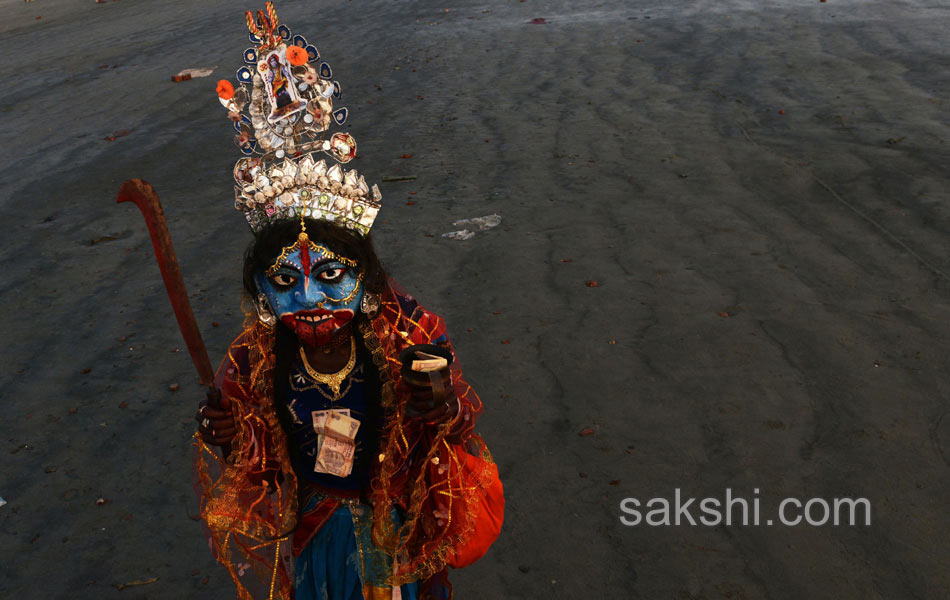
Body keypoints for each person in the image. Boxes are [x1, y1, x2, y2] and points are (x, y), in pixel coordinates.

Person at [197, 5, 502, 599]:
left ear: (366, 278)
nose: (310, 298)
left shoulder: (407, 333)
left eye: (332, 275)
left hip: (397, 531)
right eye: (285, 282)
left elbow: (460, 426)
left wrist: (440, 409)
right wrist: (231, 432)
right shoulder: (255, 359)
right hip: (317, 534)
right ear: (260, 292)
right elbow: (257, 462)